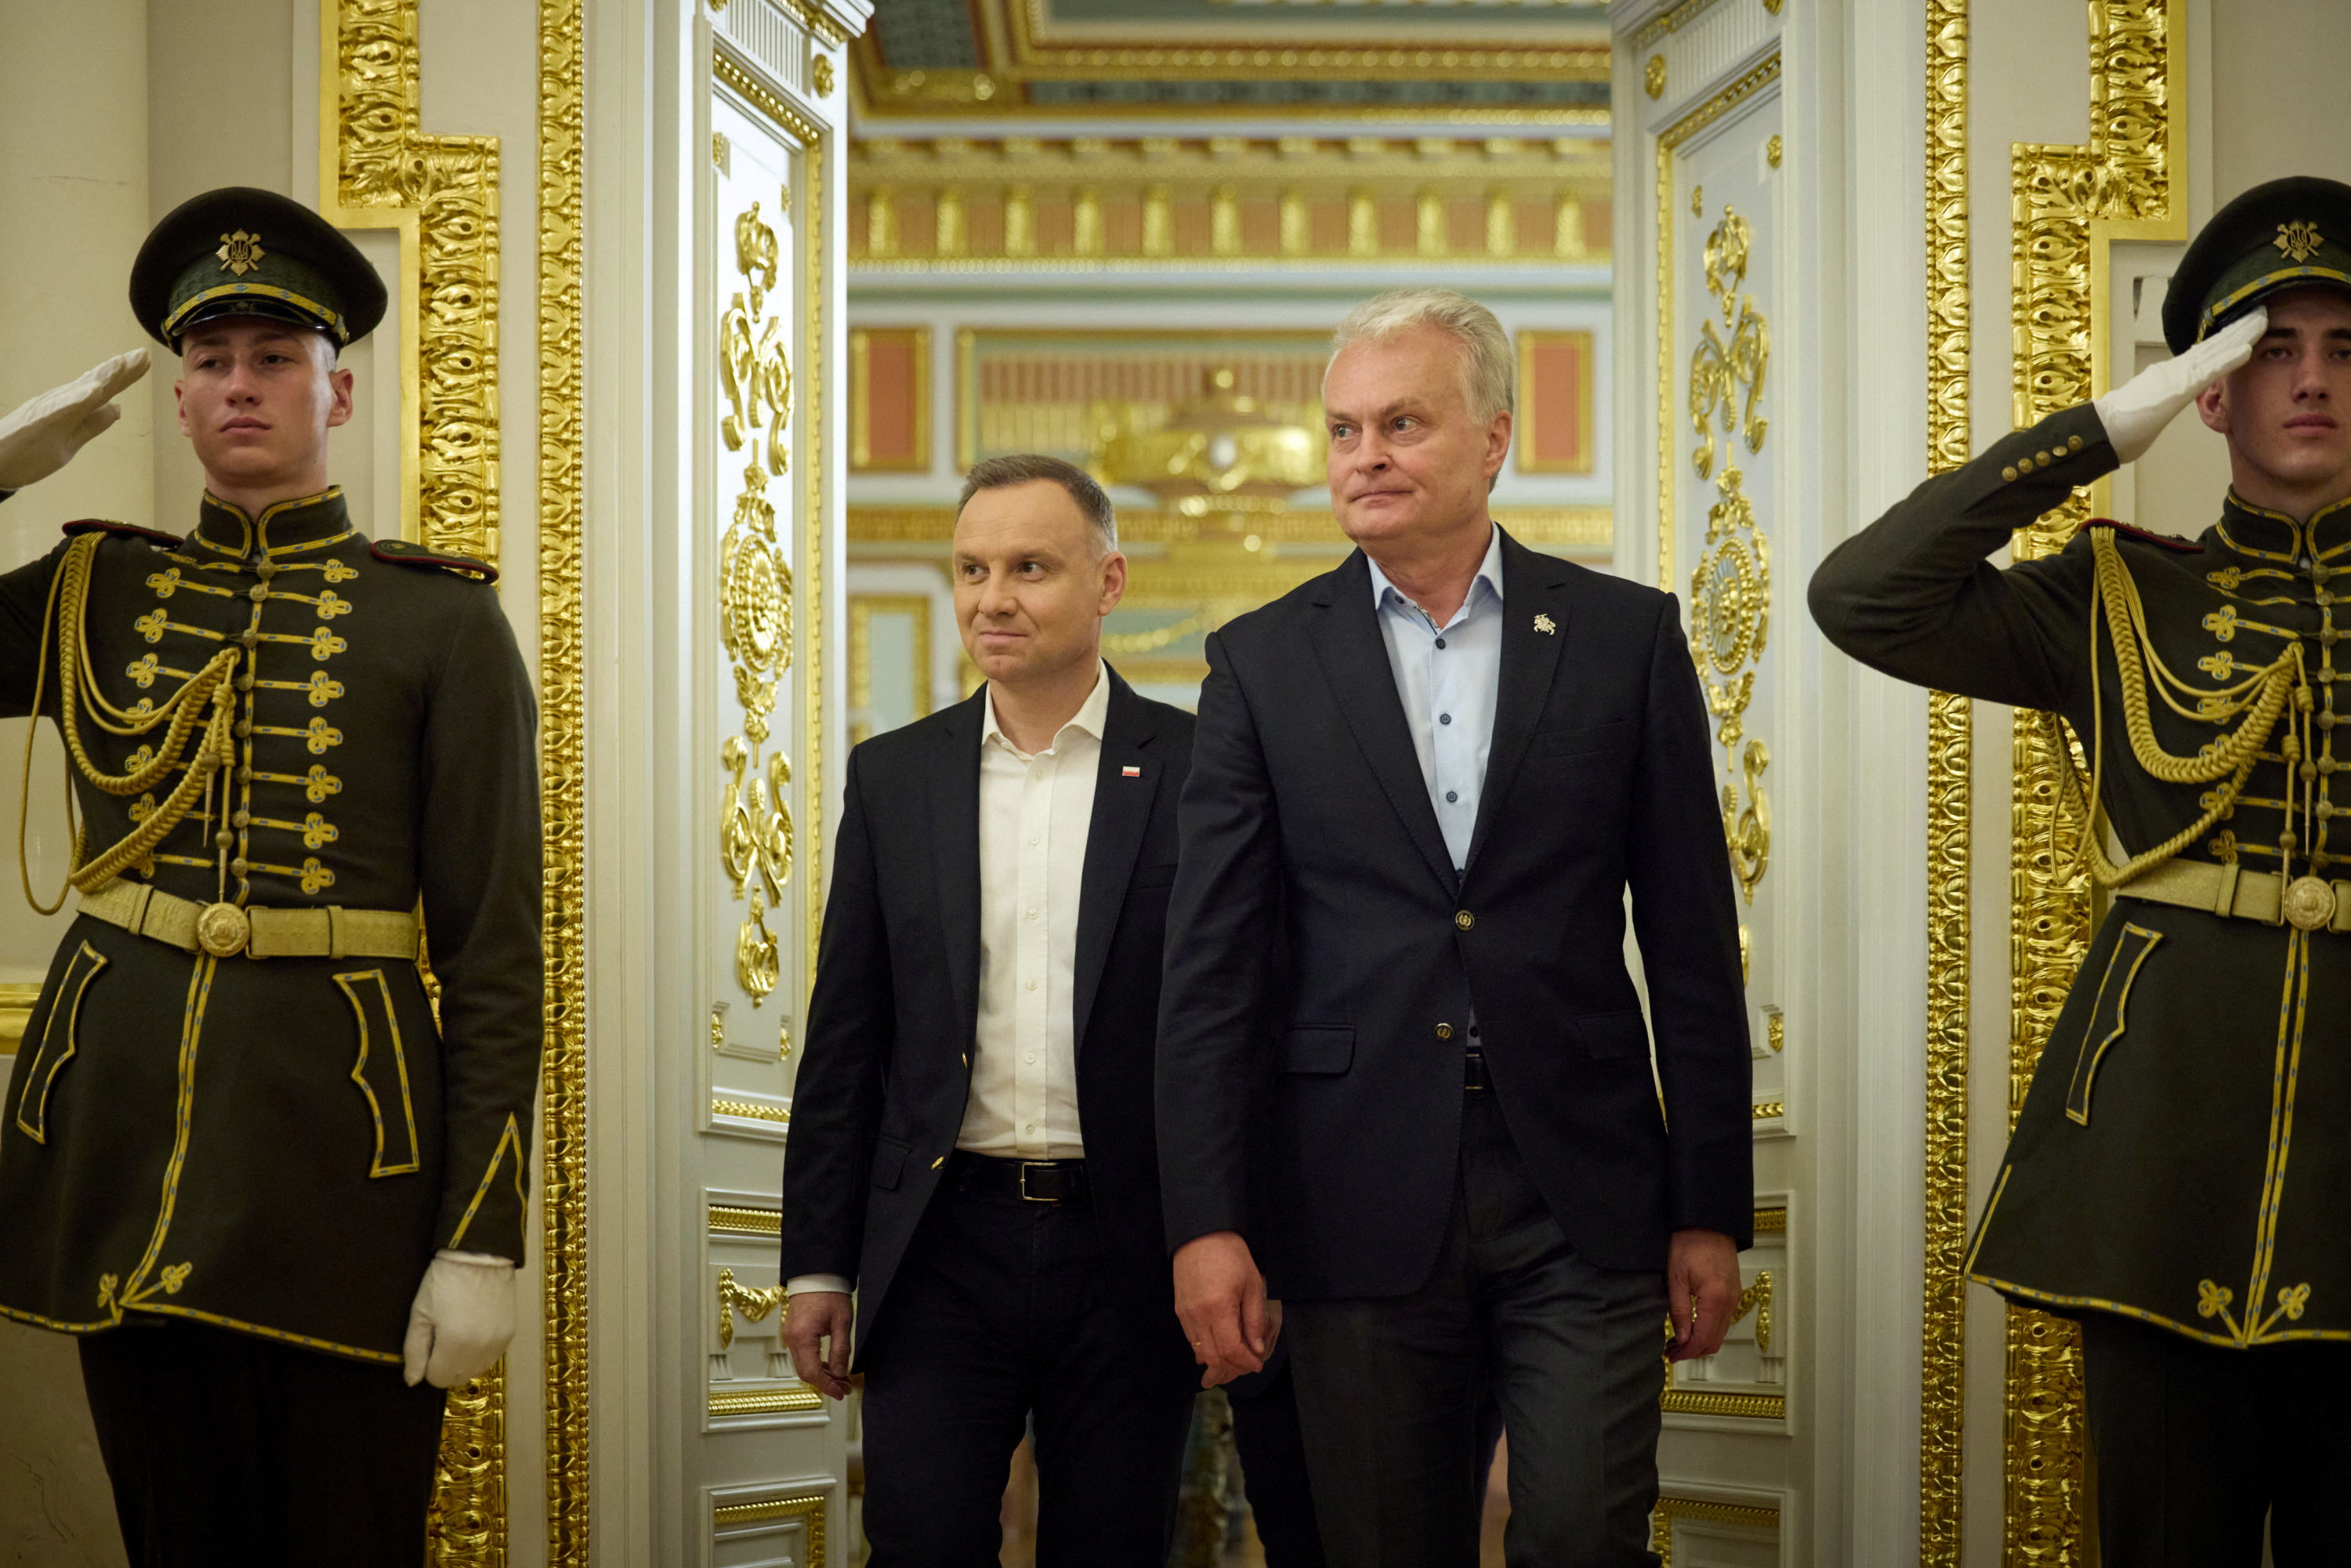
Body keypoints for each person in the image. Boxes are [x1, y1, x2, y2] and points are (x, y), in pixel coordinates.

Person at [1156, 287, 1755, 1568]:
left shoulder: (1623, 638)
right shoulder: (1260, 664)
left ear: (1493, 439)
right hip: (1350, 1186)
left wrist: (1711, 1205)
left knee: (1586, 1536)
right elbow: (1209, 973)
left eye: (1402, 424)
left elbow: (1695, 942)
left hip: (1580, 1184)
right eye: (1343, 430)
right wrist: (1206, 1222)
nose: (1363, 455)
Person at [1810, 174, 2351, 1563]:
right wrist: (2112, 425)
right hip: (2162, 1163)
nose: (2311, 381)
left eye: (2345, 349)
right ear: (2214, 392)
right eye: (2269, 351)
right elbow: (1863, 596)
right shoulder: (2118, 590)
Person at [0, 186, 542, 1565]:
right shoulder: (93, 593)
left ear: (337, 392)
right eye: (210, 361)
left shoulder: (446, 620)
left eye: (274, 359)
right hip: (122, 1150)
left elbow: (492, 952)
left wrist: (484, 1236)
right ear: (176, 397)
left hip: (346, 1170)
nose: (240, 385)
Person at [777, 455, 1204, 1565]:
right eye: (971, 568)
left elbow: (1234, 1032)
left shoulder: (1201, 771)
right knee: (919, 1545)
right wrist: (819, 1266)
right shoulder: (894, 778)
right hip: (940, 1246)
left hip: (1131, 1248)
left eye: (1029, 567)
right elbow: (846, 1041)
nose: (991, 597)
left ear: (1108, 582)